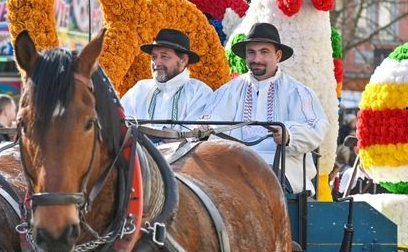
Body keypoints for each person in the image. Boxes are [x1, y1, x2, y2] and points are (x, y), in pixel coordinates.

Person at [200, 23, 329, 192]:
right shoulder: (228, 91)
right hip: (233, 166)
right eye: (251, 52)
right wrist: (202, 130)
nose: (256, 59)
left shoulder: (298, 92)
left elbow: (315, 128)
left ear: (278, 55)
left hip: (285, 169)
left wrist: (289, 135)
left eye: (264, 52)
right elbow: (209, 122)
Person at [121, 28, 213, 130]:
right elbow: (119, 125)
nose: (157, 62)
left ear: (183, 60)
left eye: (164, 56)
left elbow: (195, 136)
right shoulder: (139, 90)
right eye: (154, 57)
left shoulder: (199, 92)